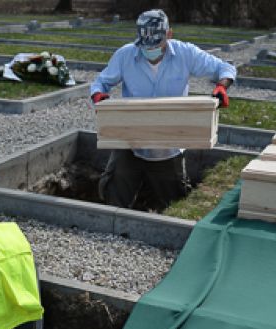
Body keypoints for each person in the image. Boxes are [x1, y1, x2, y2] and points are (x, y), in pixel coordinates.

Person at [90, 9, 237, 211]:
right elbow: (101, 82)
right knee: (115, 193)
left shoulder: (186, 54)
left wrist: (222, 86)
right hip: (131, 142)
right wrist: (99, 96)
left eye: (156, 45)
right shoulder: (125, 55)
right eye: (145, 46)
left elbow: (225, 68)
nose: (150, 50)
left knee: (173, 203)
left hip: (168, 146)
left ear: (169, 35)